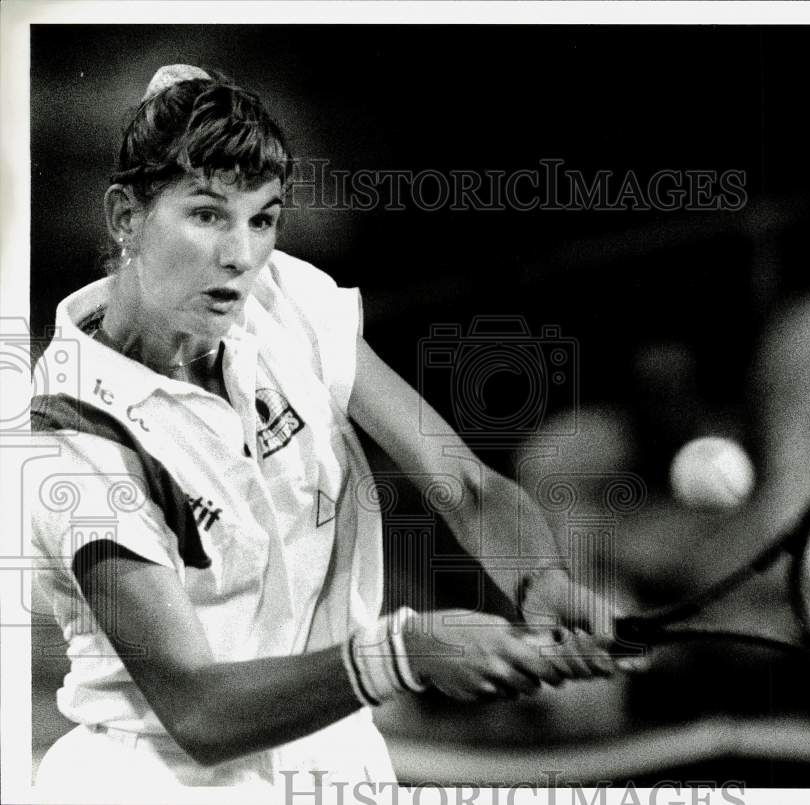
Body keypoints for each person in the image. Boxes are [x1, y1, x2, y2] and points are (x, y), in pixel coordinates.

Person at [30, 65, 624, 793]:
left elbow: (466, 486)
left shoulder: (286, 300)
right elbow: (197, 706)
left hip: (339, 764)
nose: (241, 255)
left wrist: (540, 576)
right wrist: (399, 652)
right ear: (125, 216)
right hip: (164, 778)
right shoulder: (74, 427)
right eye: (207, 214)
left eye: (263, 217)